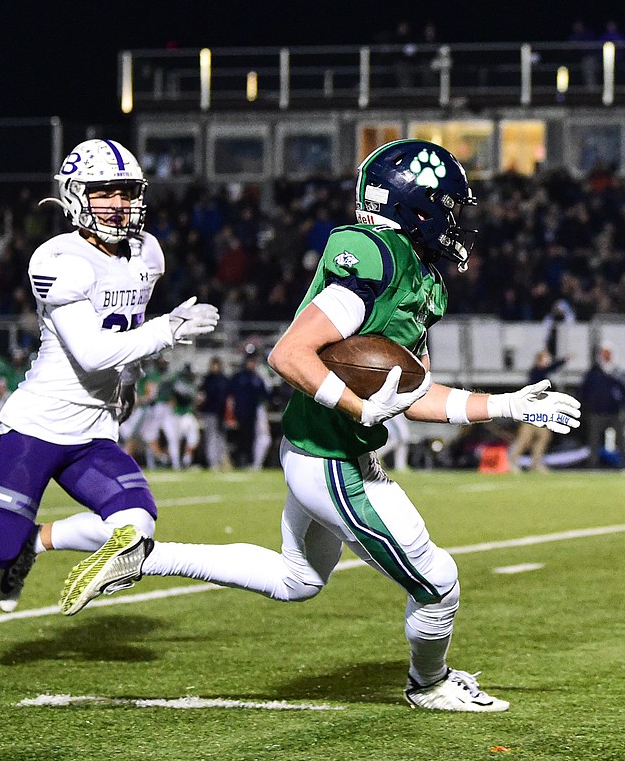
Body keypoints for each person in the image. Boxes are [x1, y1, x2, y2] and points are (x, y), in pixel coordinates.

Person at [74, 140, 580, 712]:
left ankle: (145, 556)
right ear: (419, 207)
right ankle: (430, 686)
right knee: (438, 583)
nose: (455, 220)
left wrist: (507, 406)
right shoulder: (377, 257)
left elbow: (412, 395)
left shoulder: (420, 275)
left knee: (298, 579)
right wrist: (360, 409)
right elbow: (289, 354)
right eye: (448, 205)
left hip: (332, 451)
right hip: (332, 460)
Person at [0, 139, 219, 677]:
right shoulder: (57, 259)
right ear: (76, 197)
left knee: (137, 526)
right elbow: (93, 349)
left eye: (127, 193)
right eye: (104, 193)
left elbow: (126, 336)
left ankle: (40, 540)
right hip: (39, 425)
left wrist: (133, 375)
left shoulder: (147, 253)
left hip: (94, 429)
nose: (119, 205)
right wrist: (167, 330)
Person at [509, 350, 568, 472]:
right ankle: (512, 461)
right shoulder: (536, 372)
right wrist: (563, 360)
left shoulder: (542, 373)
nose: (548, 361)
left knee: (544, 436)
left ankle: (535, 463)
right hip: (531, 412)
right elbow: (548, 369)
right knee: (525, 439)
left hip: (540, 413)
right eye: (546, 359)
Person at [579, 342, 625, 468]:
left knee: (622, 438)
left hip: (614, 411)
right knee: (594, 439)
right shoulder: (594, 372)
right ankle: (592, 463)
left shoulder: (617, 372)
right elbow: (584, 390)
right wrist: (587, 405)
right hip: (597, 411)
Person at [226, 354, 271, 470]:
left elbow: (266, 396)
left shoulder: (257, 378)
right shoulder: (238, 377)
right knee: (239, 438)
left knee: (250, 438)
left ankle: (248, 460)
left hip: (252, 414)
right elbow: (230, 396)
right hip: (239, 413)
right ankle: (239, 460)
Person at [197, 356, 232, 470]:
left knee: (221, 438)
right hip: (210, 412)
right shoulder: (207, 379)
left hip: (221, 413)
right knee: (211, 438)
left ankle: (222, 461)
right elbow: (202, 396)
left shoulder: (224, 380)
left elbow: (228, 398)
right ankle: (213, 462)